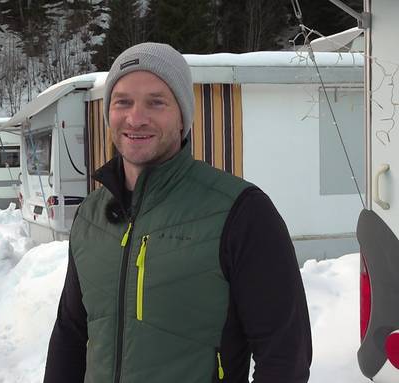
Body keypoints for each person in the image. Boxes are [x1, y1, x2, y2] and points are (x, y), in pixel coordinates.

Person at [43, 43, 312, 383]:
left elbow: (286, 355)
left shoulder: (241, 212)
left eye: (156, 102)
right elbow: (70, 334)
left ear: (183, 115)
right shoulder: (91, 215)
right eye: (122, 101)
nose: (136, 118)